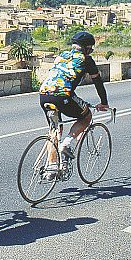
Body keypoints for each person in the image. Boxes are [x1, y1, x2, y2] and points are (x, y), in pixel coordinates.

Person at [38, 31, 110, 171]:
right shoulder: (86, 60)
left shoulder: (61, 56)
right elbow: (98, 82)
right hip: (63, 96)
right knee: (86, 116)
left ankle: (51, 168)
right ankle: (67, 144)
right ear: (87, 48)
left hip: (44, 94)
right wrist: (104, 102)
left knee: (54, 129)